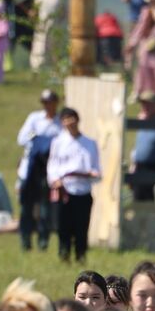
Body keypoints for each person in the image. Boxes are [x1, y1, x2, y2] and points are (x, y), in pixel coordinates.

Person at [47, 107, 101, 262]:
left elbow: (96, 167)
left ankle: (80, 255)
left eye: (71, 118)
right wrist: (55, 180)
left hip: (83, 189)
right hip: (65, 189)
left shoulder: (90, 143)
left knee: (81, 226)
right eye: (65, 119)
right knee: (63, 226)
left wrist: (93, 174)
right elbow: (52, 165)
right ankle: (64, 254)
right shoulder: (58, 142)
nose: (69, 122)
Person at [16, 88, 62, 252]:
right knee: (26, 206)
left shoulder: (60, 123)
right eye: (45, 102)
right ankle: (25, 240)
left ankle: (43, 242)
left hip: (49, 169)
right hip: (31, 168)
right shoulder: (34, 119)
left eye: (50, 102)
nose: (47, 106)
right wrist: (36, 138)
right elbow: (21, 139)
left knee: (45, 208)